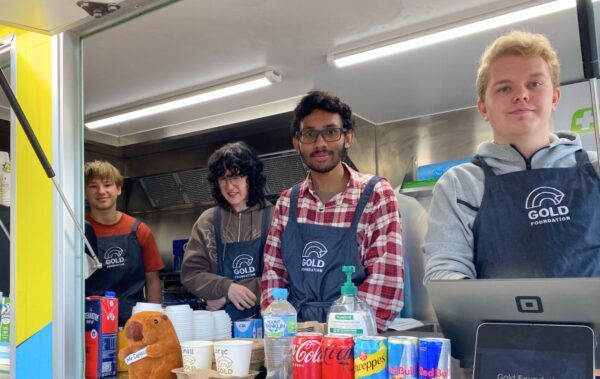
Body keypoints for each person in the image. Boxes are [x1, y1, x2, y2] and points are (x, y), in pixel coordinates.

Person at [423, 31, 600, 282]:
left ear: (555, 98)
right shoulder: (460, 185)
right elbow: (445, 268)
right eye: (505, 88)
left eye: (534, 84)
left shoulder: (595, 169)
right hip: (495, 322)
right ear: (483, 107)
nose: (521, 95)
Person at [260, 91, 404, 332]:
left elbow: (386, 284)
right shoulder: (287, 203)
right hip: (298, 341)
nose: (320, 143)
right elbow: (273, 276)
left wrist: (332, 332)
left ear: (347, 137)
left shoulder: (376, 194)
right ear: (297, 142)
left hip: (355, 343)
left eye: (330, 131)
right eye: (309, 134)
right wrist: (289, 332)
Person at [181, 141, 273, 321]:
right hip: (219, 325)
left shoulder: (275, 217)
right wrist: (226, 287)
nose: (229, 186)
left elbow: (283, 275)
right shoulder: (207, 221)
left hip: (268, 324)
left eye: (236, 177)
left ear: (250, 177)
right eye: (223, 179)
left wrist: (227, 295)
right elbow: (190, 274)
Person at [85, 160, 164, 325]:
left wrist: (153, 322)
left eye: (107, 184)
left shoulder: (139, 230)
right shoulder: (78, 231)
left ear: (119, 189)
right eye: (93, 186)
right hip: (90, 323)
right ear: (84, 192)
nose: (101, 191)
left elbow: (152, 280)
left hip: (134, 324)